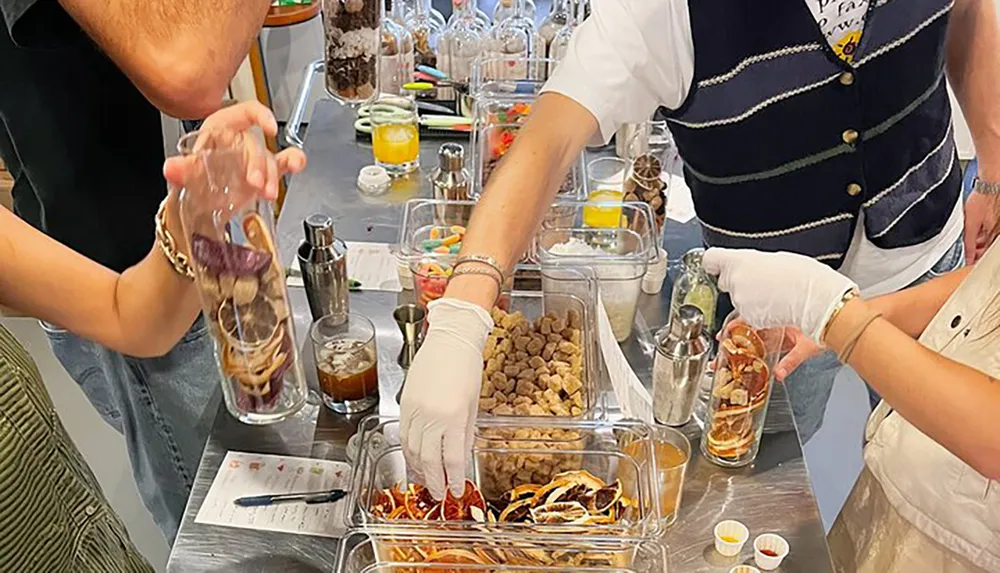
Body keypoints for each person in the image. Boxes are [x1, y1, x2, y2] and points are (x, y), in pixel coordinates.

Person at [399, 0, 1000, 498]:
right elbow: (549, 139)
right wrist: (464, 307)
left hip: (931, 260)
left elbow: (968, 10)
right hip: (772, 317)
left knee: (936, 471)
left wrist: (993, 165)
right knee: (766, 469)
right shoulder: (661, 11)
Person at [0, 0, 275, 541]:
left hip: (82, 534)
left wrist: (190, 215)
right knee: (223, 525)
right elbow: (186, 68)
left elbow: (132, 314)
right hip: (110, 246)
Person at [702, 238, 1000, 572]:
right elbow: (986, 283)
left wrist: (834, 315)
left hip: (961, 543)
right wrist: (844, 318)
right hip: (899, 483)